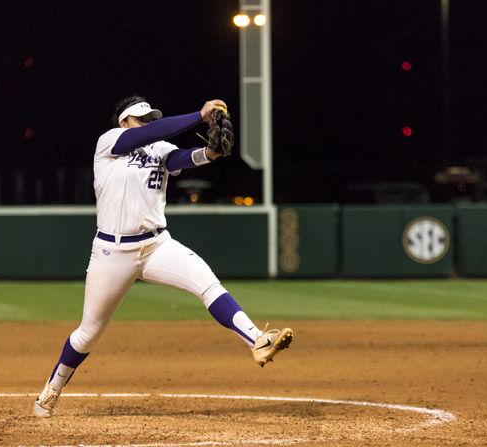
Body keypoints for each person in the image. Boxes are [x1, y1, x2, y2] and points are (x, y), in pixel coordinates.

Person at [33, 95, 293, 417]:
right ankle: (51, 391)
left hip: (156, 245)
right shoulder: (109, 143)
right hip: (112, 252)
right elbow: (141, 137)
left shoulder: (160, 149)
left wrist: (211, 153)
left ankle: (257, 340)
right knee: (89, 332)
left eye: (151, 120)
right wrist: (200, 115)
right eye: (142, 119)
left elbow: (184, 158)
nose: (148, 124)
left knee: (207, 283)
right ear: (124, 122)